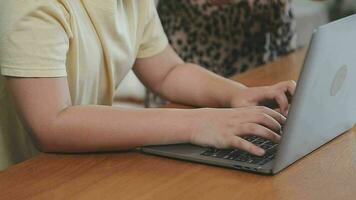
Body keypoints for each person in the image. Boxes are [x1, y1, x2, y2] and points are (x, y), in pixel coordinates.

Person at [0, 0, 295, 170]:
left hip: (73, 163)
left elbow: (167, 70)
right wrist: (198, 123)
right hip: (20, 176)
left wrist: (238, 94)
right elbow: (51, 124)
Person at [147, 0, 297, 107]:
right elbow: (165, 75)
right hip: (184, 98)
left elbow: (168, 73)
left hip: (255, 86)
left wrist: (239, 94)